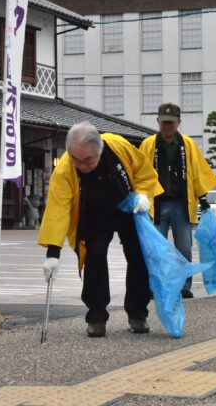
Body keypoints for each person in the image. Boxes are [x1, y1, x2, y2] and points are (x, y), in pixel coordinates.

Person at [38, 122, 162, 337]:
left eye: (88, 160)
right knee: (94, 258)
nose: (82, 165)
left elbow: (144, 171)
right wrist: (53, 253)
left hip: (127, 207)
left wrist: (143, 194)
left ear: (100, 149)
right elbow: (58, 209)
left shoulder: (118, 146)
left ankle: (138, 314)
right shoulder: (66, 168)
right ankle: (96, 316)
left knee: (138, 256)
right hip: (93, 214)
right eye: (76, 160)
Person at [139, 102, 216, 299]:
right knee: (155, 248)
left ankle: (184, 285)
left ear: (179, 122)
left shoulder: (188, 144)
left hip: (181, 204)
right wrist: (140, 198)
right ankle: (153, 285)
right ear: (158, 122)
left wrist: (203, 199)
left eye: (171, 123)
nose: (168, 127)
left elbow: (197, 174)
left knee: (184, 247)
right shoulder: (148, 144)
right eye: (164, 123)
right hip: (156, 205)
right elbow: (140, 174)